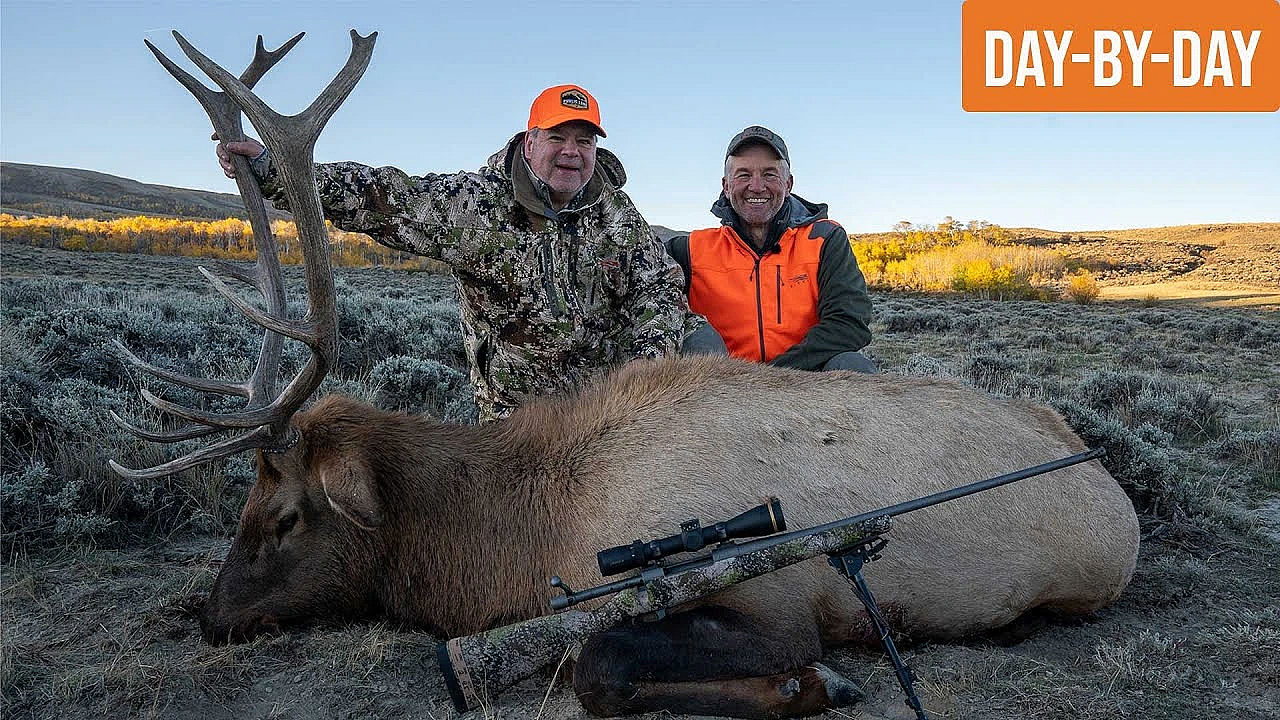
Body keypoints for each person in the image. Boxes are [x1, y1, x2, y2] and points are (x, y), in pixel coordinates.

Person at [218, 84, 695, 421]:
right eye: (558, 137)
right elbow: (383, 197)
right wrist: (273, 170)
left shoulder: (615, 211)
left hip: (607, 413)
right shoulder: (474, 209)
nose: (572, 151)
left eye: (584, 140)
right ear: (530, 142)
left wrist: (644, 360)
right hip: (516, 428)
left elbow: (659, 286)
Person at [665, 126, 875, 372]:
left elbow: (849, 323)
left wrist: (773, 378)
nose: (756, 186)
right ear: (726, 185)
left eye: (769, 175)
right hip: (723, 388)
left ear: (788, 183)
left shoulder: (824, 239)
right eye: (743, 175)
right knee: (698, 342)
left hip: (803, 380)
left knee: (851, 366)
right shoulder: (689, 250)